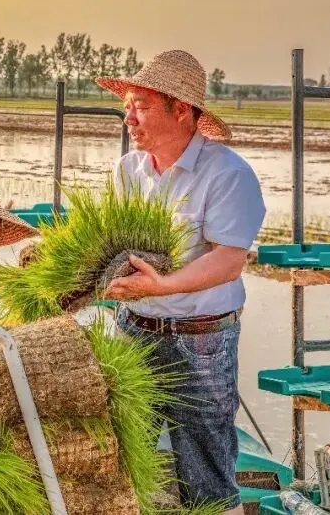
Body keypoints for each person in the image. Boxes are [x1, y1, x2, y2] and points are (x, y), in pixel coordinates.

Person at [97, 49, 266, 514]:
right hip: (133, 332)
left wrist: (161, 287)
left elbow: (228, 261)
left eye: (142, 105)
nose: (129, 118)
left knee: (207, 473)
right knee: (124, 460)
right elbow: (115, 247)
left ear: (182, 111)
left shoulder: (227, 174)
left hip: (200, 339)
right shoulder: (128, 171)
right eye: (128, 106)